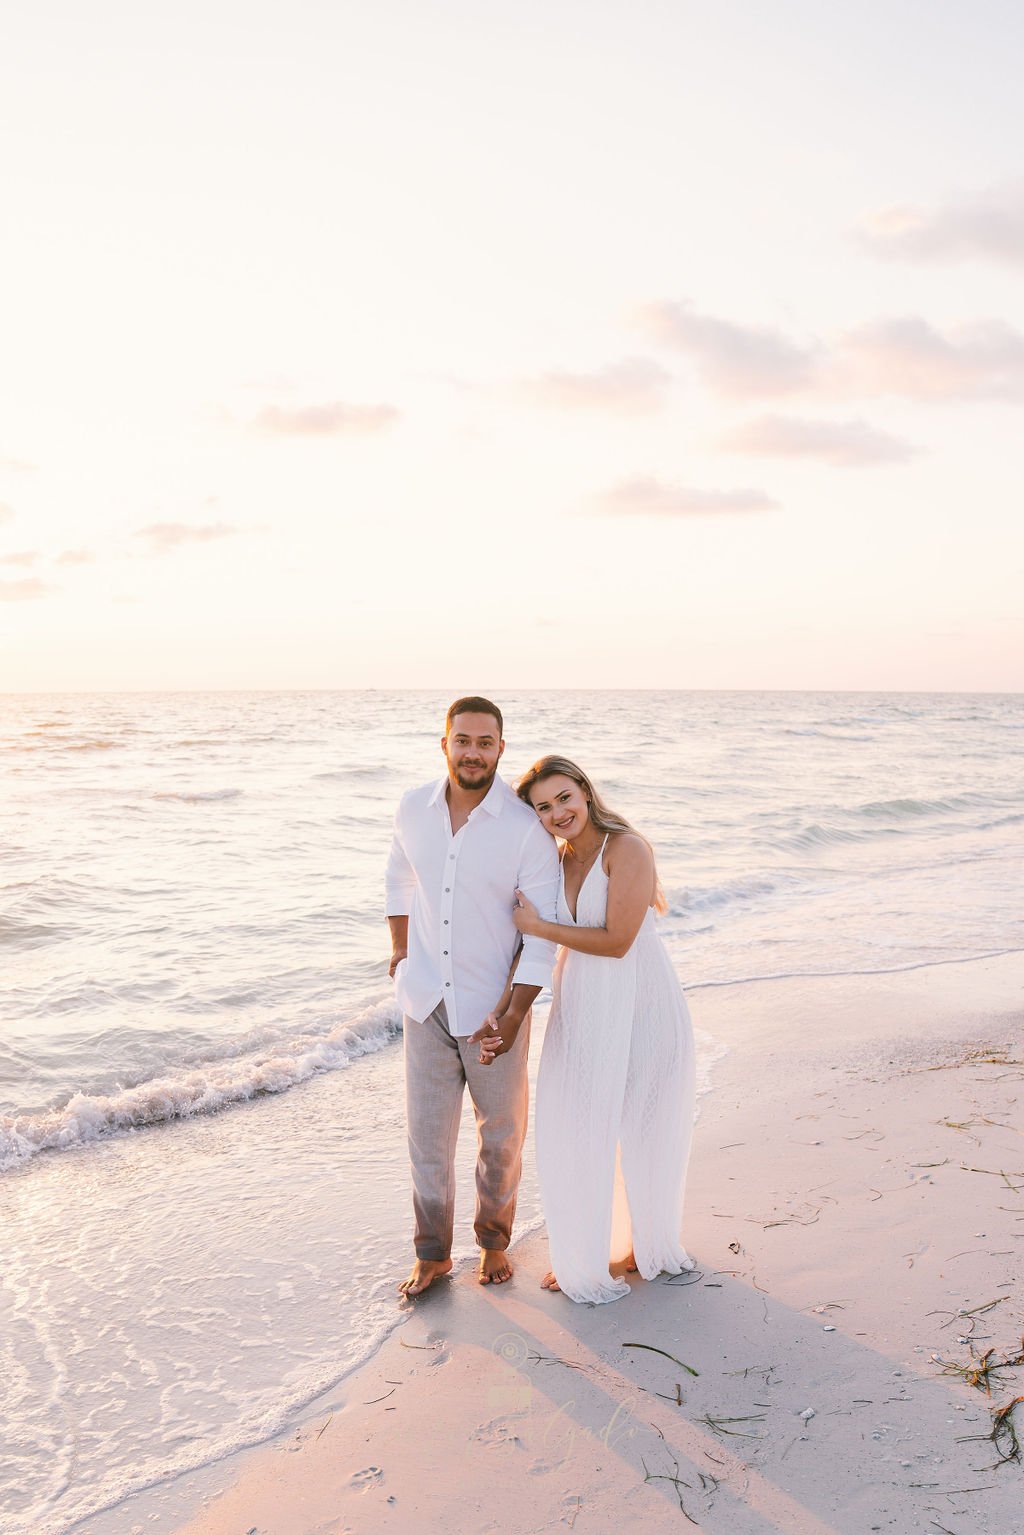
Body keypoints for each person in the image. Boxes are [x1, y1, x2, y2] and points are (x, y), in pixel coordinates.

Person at [478, 755, 695, 1304]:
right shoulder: (557, 859)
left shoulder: (628, 848)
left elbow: (618, 942)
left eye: (563, 798)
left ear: (584, 790)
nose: (557, 813)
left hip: (641, 1000)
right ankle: (585, 1251)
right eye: (543, 807)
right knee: (576, 1125)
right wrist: (504, 1009)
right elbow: (535, 944)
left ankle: (636, 1247)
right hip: (583, 1005)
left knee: (644, 1127)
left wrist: (537, 924)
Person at [385, 697, 559, 1298]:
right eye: (463, 740)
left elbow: (540, 934)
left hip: (493, 1009)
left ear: (501, 749)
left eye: (486, 742)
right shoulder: (412, 808)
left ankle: (493, 1242)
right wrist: (400, 951)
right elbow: (398, 877)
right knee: (427, 1138)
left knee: (502, 1134)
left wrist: (513, 1016)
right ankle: (431, 1254)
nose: (473, 752)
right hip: (427, 1001)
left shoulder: (523, 828)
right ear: (445, 744)